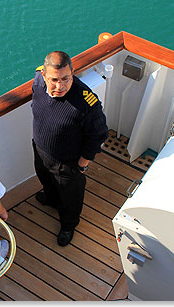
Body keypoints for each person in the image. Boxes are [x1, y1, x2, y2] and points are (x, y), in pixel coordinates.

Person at [31, 51, 108, 246]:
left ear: (73, 73)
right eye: (54, 80)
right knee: (45, 180)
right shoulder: (38, 83)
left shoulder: (86, 102)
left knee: (70, 197)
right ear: (44, 76)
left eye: (66, 78)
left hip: (67, 163)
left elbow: (98, 134)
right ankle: (50, 197)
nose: (60, 86)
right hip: (40, 150)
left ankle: (69, 224)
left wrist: (82, 164)